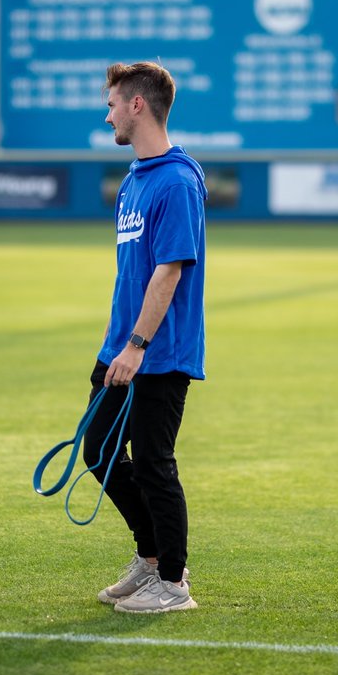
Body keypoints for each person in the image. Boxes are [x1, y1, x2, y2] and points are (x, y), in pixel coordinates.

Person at [81, 61, 207, 614]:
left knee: (154, 461)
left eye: (112, 102)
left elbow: (170, 271)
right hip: (121, 346)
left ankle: (174, 582)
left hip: (159, 350)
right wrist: (120, 344)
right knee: (99, 451)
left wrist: (137, 345)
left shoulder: (177, 180)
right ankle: (151, 557)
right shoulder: (135, 178)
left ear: (137, 105)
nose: (106, 112)